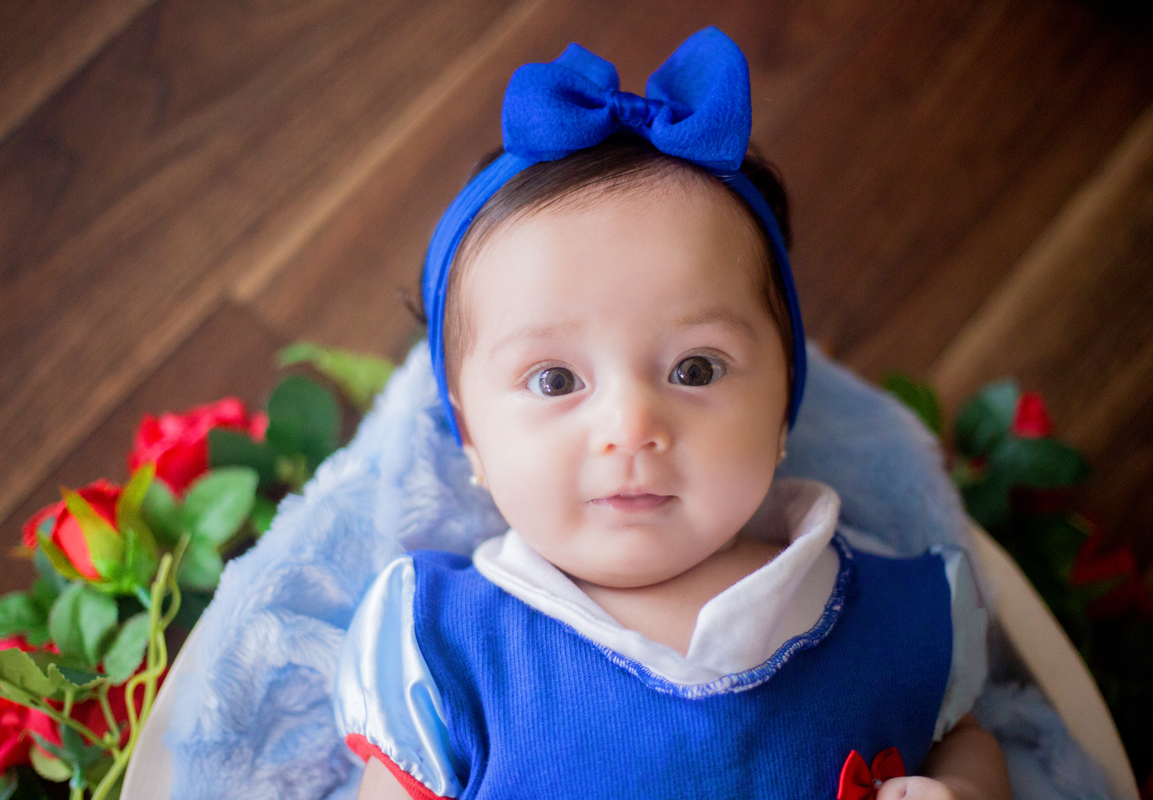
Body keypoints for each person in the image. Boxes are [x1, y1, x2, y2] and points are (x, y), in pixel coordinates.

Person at [334, 27, 1011, 800]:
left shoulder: (895, 615)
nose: (632, 425)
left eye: (695, 369)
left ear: (783, 401)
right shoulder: (447, 642)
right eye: (555, 379)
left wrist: (961, 789)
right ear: (471, 436)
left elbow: (967, 746)